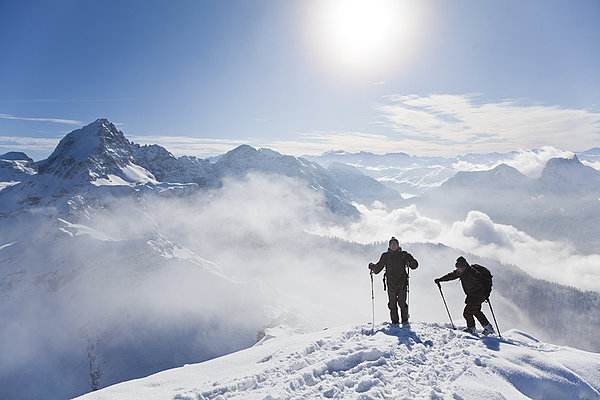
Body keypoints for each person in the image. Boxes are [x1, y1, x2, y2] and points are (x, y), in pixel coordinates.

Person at [434, 256, 495, 335]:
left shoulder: (473, 273)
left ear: (465, 266)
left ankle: (471, 328)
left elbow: (484, 283)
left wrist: (485, 294)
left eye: (460, 267)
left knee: (467, 313)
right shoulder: (462, 272)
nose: (459, 269)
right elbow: (451, 276)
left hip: (477, 295)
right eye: (458, 267)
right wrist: (440, 279)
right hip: (473, 295)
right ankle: (488, 328)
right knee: (476, 311)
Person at [369, 237, 418, 326]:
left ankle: (405, 322)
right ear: (389, 246)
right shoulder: (386, 256)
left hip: (402, 283)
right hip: (391, 284)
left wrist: (411, 262)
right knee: (392, 304)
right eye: (392, 244)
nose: (393, 246)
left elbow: (414, 265)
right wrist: (373, 267)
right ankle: (395, 323)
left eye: (395, 244)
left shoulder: (404, 255)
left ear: (398, 245)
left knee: (402, 303)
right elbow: (378, 269)